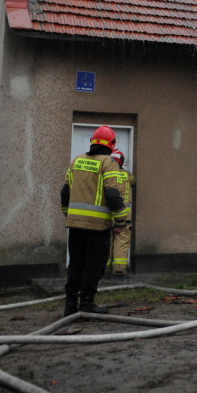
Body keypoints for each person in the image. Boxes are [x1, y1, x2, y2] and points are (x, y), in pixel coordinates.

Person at [60, 125, 126, 316]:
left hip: (75, 225)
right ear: (112, 144)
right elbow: (113, 194)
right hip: (98, 227)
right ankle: (87, 303)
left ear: (92, 142)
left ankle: (70, 305)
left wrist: (68, 213)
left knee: (76, 263)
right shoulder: (109, 163)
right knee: (93, 264)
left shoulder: (76, 161)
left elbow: (65, 192)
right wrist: (121, 221)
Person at [107, 149, 134, 276]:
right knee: (121, 242)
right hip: (123, 215)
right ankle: (119, 271)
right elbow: (133, 182)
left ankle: (104, 270)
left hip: (107, 214)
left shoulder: (106, 174)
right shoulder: (128, 175)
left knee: (106, 242)